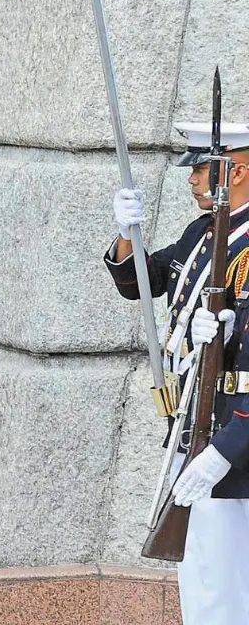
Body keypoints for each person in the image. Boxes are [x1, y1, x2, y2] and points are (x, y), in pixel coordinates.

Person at [108, 121, 249, 625]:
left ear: (237, 171)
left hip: (231, 441)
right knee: (203, 580)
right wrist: (128, 237)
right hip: (194, 429)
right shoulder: (206, 230)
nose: (191, 179)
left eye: (202, 168)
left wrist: (225, 449)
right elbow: (141, 283)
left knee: (225, 586)